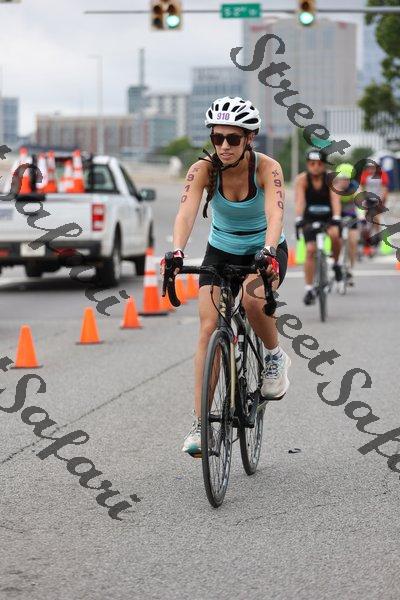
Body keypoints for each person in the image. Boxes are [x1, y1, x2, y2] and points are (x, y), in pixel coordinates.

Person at [161, 96, 290, 456]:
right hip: (221, 250)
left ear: (250, 138)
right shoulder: (203, 169)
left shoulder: (267, 168)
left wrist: (268, 250)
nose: (224, 146)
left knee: (252, 300)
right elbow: (186, 212)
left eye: (233, 138)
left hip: (264, 248)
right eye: (218, 138)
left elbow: (275, 212)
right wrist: (177, 251)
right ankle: (201, 425)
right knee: (208, 328)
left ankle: (274, 356)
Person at [294, 149, 342, 306]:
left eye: (319, 164)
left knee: (335, 235)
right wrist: (298, 218)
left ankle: (336, 264)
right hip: (310, 218)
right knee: (310, 250)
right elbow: (300, 201)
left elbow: (335, 200)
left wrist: (337, 217)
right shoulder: (302, 179)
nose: (315, 167)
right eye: (312, 163)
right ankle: (309, 288)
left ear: (324, 165)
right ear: (308, 164)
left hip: (328, 217)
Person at [334, 163, 359, 285]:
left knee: (353, 242)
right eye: (342, 179)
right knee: (336, 240)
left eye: (347, 179)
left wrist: (362, 215)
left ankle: (350, 269)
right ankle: (336, 262)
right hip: (338, 215)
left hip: (351, 215)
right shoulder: (334, 187)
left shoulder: (355, 187)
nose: (344, 182)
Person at [360, 162, 389, 254]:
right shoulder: (365, 174)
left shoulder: (382, 174)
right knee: (367, 221)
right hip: (368, 200)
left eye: (373, 168)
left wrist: (382, 201)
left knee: (376, 219)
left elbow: (384, 188)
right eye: (369, 168)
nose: (371, 170)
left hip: (378, 200)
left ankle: (377, 238)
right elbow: (362, 187)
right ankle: (366, 241)